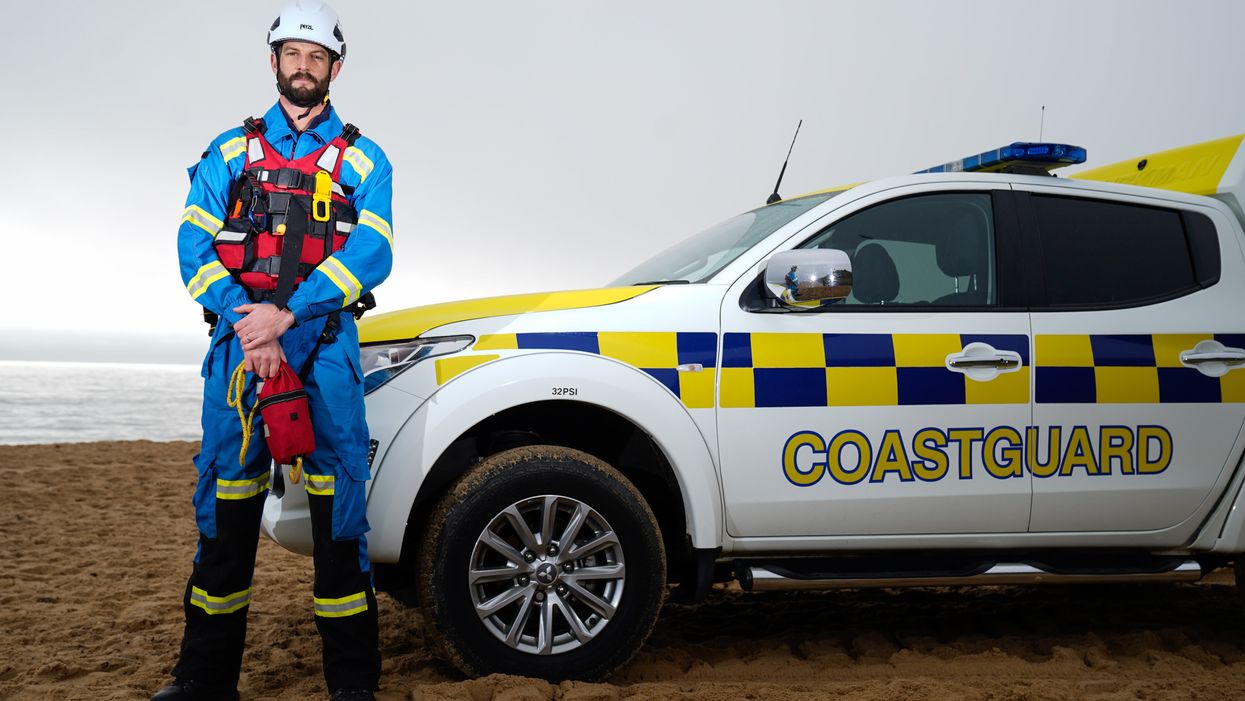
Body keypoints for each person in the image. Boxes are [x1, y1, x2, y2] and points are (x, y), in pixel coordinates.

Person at [156, 2, 393, 699]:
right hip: (237, 353)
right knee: (224, 503)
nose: (303, 67)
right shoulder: (229, 150)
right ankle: (202, 678)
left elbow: (372, 251)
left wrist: (286, 316)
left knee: (339, 510)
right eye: (292, 54)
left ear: (334, 69)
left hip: (324, 349)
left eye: (317, 58)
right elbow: (192, 245)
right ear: (274, 62)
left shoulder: (367, 158)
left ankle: (352, 685)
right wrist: (246, 321)